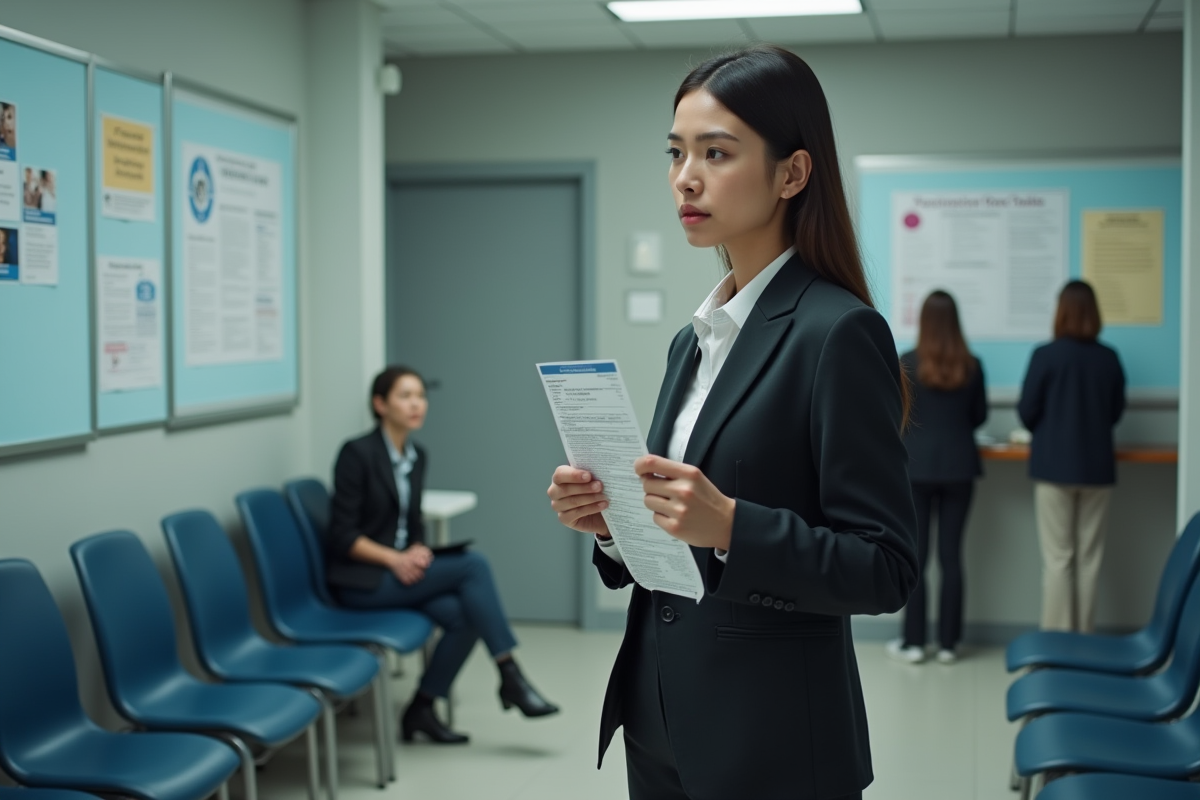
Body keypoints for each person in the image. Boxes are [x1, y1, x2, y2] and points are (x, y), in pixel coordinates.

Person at [547, 45, 918, 800]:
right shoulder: (693, 341)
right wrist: (614, 525)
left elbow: (885, 566)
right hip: (659, 719)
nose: (686, 177)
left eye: (716, 153)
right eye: (676, 153)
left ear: (792, 173)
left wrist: (731, 527)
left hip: (771, 739)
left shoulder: (838, 332)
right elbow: (676, 540)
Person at [327, 365, 559, 745]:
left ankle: (421, 708)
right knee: (473, 565)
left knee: (466, 613)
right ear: (380, 404)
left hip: (399, 573)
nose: (416, 404)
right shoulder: (357, 453)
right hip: (362, 581)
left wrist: (416, 549)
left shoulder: (416, 455)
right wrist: (395, 559)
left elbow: (410, 523)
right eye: (405, 396)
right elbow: (343, 536)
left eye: (421, 396)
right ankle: (510, 674)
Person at [1018, 280, 1126, 633]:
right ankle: (1084, 639)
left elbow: (1027, 411)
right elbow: (1115, 412)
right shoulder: (1109, 357)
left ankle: (1058, 640)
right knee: (1089, 560)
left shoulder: (1045, 355)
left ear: (1060, 312)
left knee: (1058, 559)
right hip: (1097, 469)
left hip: (1053, 468)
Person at [886, 290, 987, 666]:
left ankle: (914, 643)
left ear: (924, 322)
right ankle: (948, 644)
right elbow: (979, 416)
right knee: (951, 557)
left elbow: (896, 413)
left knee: (916, 556)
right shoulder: (972, 365)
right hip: (960, 468)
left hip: (916, 469)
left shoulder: (907, 362)